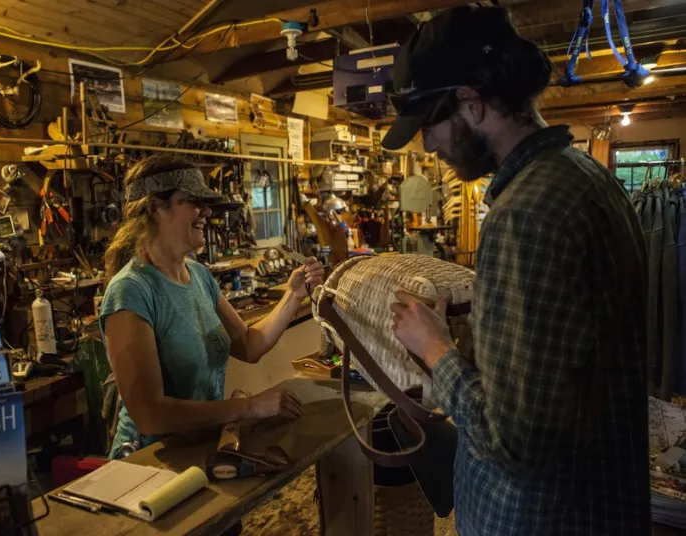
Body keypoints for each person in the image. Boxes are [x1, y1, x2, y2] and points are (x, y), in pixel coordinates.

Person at [383, 7, 649, 535]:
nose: (429, 147)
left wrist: (437, 349)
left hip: (539, 518)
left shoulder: (523, 215)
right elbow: (568, 364)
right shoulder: (587, 179)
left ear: (470, 101)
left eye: (429, 126)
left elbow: (515, 444)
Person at [100, 154, 324, 460]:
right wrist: (249, 406)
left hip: (197, 449)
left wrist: (294, 294)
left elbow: (249, 345)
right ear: (155, 208)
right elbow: (150, 415)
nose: (206, 211)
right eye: (192, 201)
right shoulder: (131, 291)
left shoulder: (199, 275)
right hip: (149, 461)